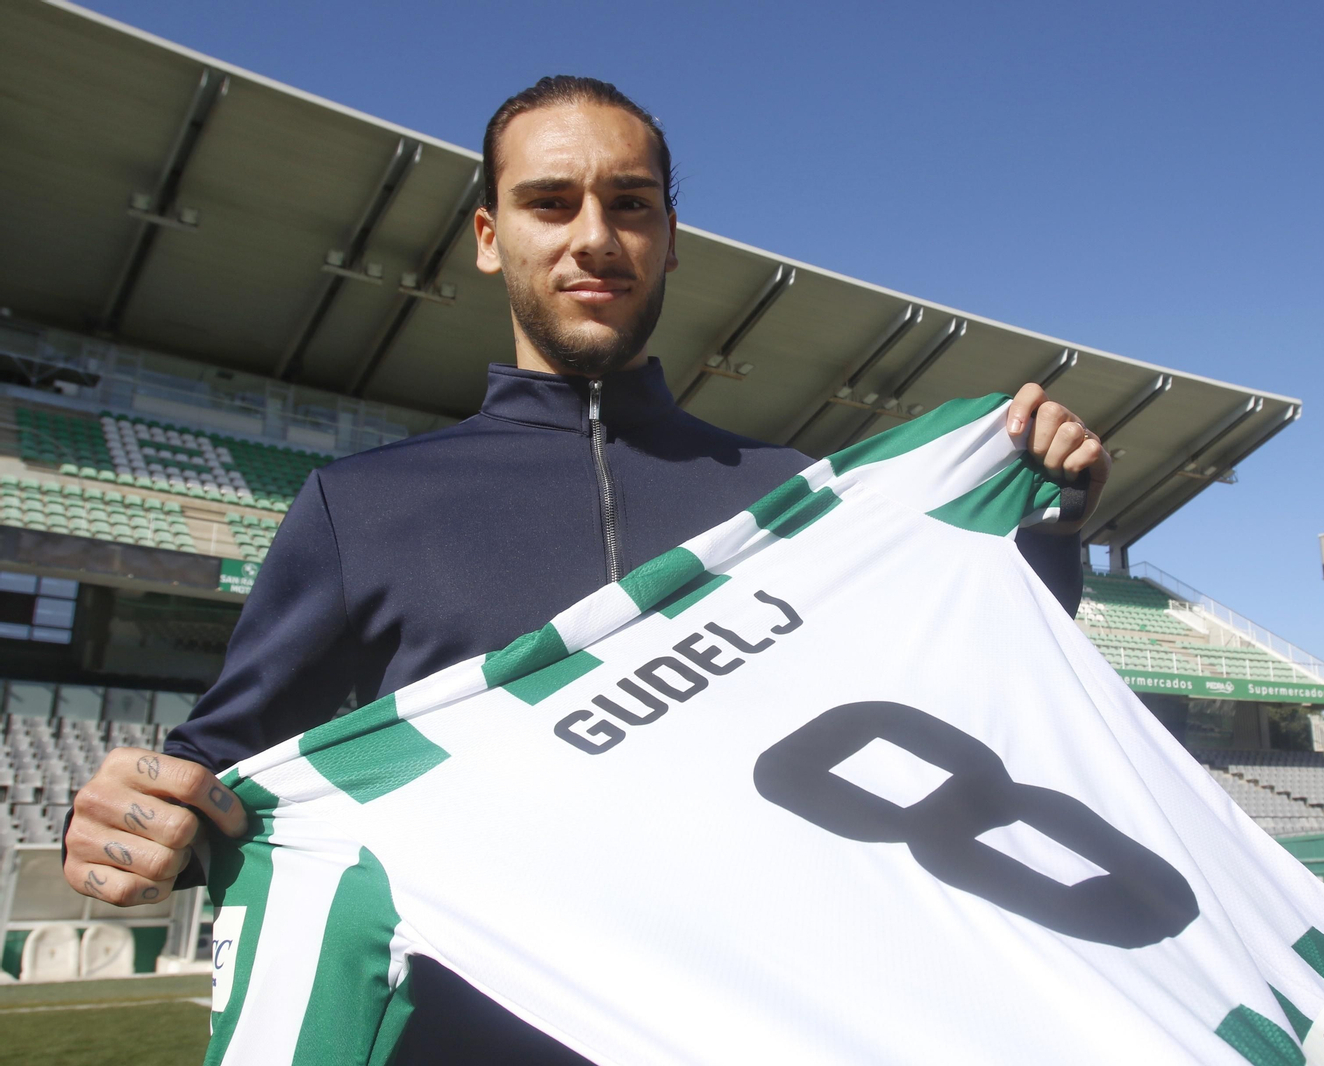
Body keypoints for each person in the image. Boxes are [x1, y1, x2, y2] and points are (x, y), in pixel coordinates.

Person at [60, 77, 1113, 1062]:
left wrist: (1050, 532)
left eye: (631, 204)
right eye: (550, 202)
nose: (593, 238)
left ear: (668, 238)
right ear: (489, 235)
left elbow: (968, 674)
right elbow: (214, 777)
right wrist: (127, 816)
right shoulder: (361, 509)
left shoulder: (798, 497)